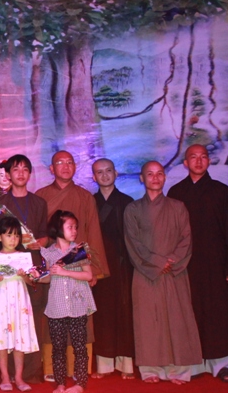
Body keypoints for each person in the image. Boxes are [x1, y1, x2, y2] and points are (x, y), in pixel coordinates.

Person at [168, 144, 228, 383]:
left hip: (217, 265)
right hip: (186, 265)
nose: (199, 161)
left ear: (209, 161)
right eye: (193, 157)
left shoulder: (222, 191)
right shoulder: (176, 192)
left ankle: (223, 365)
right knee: (189, 313)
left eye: (203, 157)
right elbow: (169, 232)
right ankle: (192, 364)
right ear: (185, 163)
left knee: (218, 312)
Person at [124, 161, 202, 384]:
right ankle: (151, 369)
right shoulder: (133, 209)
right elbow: (133, 243)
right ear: (142, 178)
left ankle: (178, 370)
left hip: (175, 272)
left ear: (165, 177)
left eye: (159, 173)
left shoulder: (178, 207)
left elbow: (187, 239)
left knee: (177, 320)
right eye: (150, 174)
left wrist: (172, 261)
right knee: (148, 321)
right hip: (146, 272)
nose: (155, 178)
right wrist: (159, 262)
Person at [35, 151, 109, 380]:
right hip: (53, 263)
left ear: (75, 167)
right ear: (51, 168)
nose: (65, 166)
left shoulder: (85, 197)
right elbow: (38, 234)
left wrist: (94, 270)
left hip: (79, 264)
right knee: (52, 319)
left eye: (70, 162)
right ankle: (51, 368)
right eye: (60, 162)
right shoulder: (41, 196)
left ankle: (79, 370)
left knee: (80, 319)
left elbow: (93, 232)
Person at [0, 154, 48, 384]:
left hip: (31, 266)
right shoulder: (0, 204)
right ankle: (8, 373)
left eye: (25, 169)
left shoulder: (39, 203)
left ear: (30, 173)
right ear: (8, 175)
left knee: (31, 318)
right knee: (6, 320)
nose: (20, 173)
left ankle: (29, 372)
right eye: (16, 169)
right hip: (7, 270)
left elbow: (45, 234)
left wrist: (40, 243)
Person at [39, 211, 96, 393]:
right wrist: (37, 276)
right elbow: (49, 278)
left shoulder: (79, 250)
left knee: (79, 347)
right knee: (58, 348)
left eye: (75, 227)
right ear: (58, 229)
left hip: (77, 304)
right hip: (56, 306)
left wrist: (66, 272)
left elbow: (88, 275)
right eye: (70, 227)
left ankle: (80, 384)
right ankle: (60, 384)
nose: (74, 230)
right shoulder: (49, 252)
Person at [89, 159, 135, 380]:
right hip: (98, 267)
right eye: (99, 172)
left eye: (108, 171)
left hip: (123, 266)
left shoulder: (127, 202)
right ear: (93, 177)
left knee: (124, 313)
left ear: (116, 173)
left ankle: (126, 363)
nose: (105, 175)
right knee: (102, 314)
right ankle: (104, 365)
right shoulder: (90, 202)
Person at [0, 217, 39, 392]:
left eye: (16, 236)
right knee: (1, 338)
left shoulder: (23, 257)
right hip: (1, 302)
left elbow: (32, 282)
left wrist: (25, 276)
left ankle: (19, 376)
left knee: (19, 338)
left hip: (19, 301)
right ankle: (5, 376)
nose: (13, 239)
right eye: (8, 235)